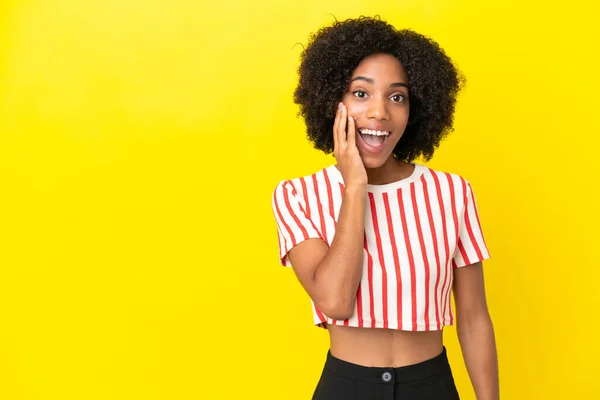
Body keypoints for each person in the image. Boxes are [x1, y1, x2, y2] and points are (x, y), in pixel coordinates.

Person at [271, 16, 498, 400]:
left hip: (432, 387)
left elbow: (475, 320)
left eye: (397, 97)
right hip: (346, 387)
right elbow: (335, 302)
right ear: (333, 102)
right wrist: (355, 185)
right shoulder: (298, 195)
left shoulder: (451, 192)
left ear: (416, 109)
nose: (379, 112)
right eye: (361, 93)